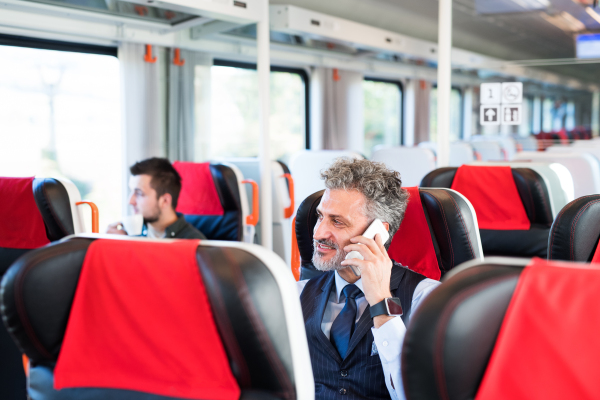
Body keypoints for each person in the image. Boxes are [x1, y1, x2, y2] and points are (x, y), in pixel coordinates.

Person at [297, 158, 440, 400]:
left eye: (337, 221)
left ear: (377, 233)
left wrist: (382, 303)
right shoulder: (295, 294)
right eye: (321, 216)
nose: (319, 233)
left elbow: (416, 394)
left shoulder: (426, 300)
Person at [107, 157, 206, 239]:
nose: (130, 201)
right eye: (132, 192)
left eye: (139, 194)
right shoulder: (132, 234)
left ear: (164, 201)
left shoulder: (193, 245)